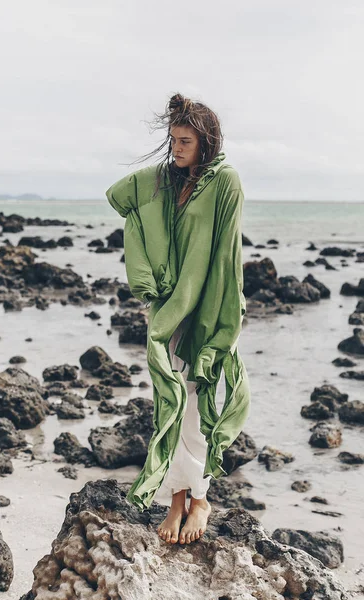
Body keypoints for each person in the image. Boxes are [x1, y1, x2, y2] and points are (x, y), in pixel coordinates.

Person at [106, 92, 250, 546]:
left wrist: (220, 321)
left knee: (197, 402)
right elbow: (120, 199)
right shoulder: (166, 180)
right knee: (171, 402)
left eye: (185, 141)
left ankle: (200, 499)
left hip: (206, 307)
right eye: (172, 140)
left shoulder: (226, 182)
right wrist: (150, 283)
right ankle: (176, 498)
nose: (176, 149)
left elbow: (228, 255)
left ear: (206, 141)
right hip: (168, 309)